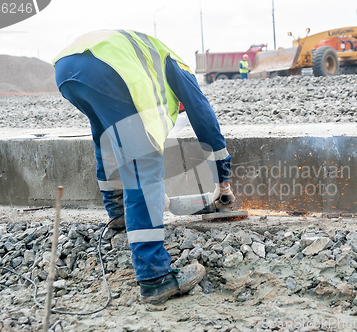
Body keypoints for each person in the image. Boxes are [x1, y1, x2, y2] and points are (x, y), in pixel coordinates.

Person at [52, 30, 235, 305]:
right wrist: (223, 183)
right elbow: (207, 125)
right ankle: (155, 278)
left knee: (105, 136)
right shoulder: (181, 71)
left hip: (67, 68)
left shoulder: (154, 63)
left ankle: (118, 214)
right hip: (106, 69)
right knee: (144, 164)